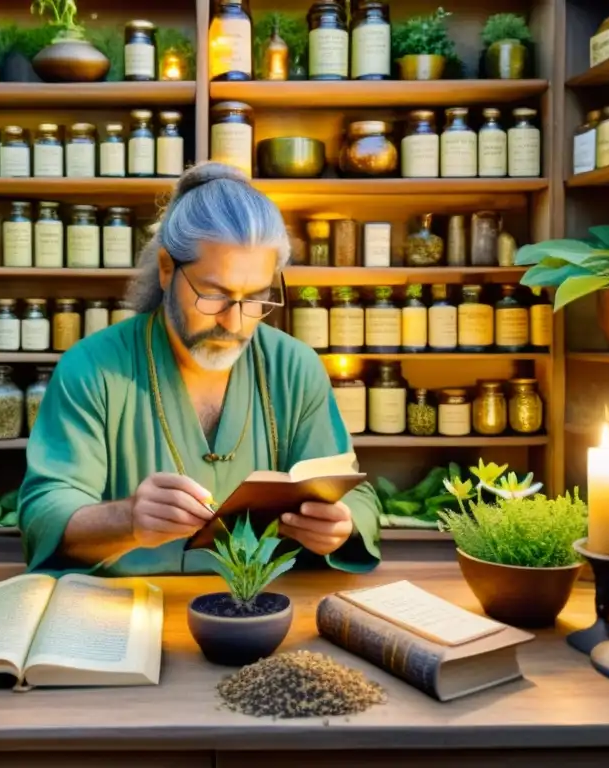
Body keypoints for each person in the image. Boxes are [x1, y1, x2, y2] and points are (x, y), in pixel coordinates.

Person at [19, 162, 381, 576]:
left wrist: (341, 524)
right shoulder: (93, 367)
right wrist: (129, 519)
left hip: (265, 610)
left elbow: (356, 493)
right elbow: (42, 515)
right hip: (122, 611)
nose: (235, 322)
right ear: (167, 268)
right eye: (214, 295)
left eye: (255, 298)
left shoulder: (294, 366)